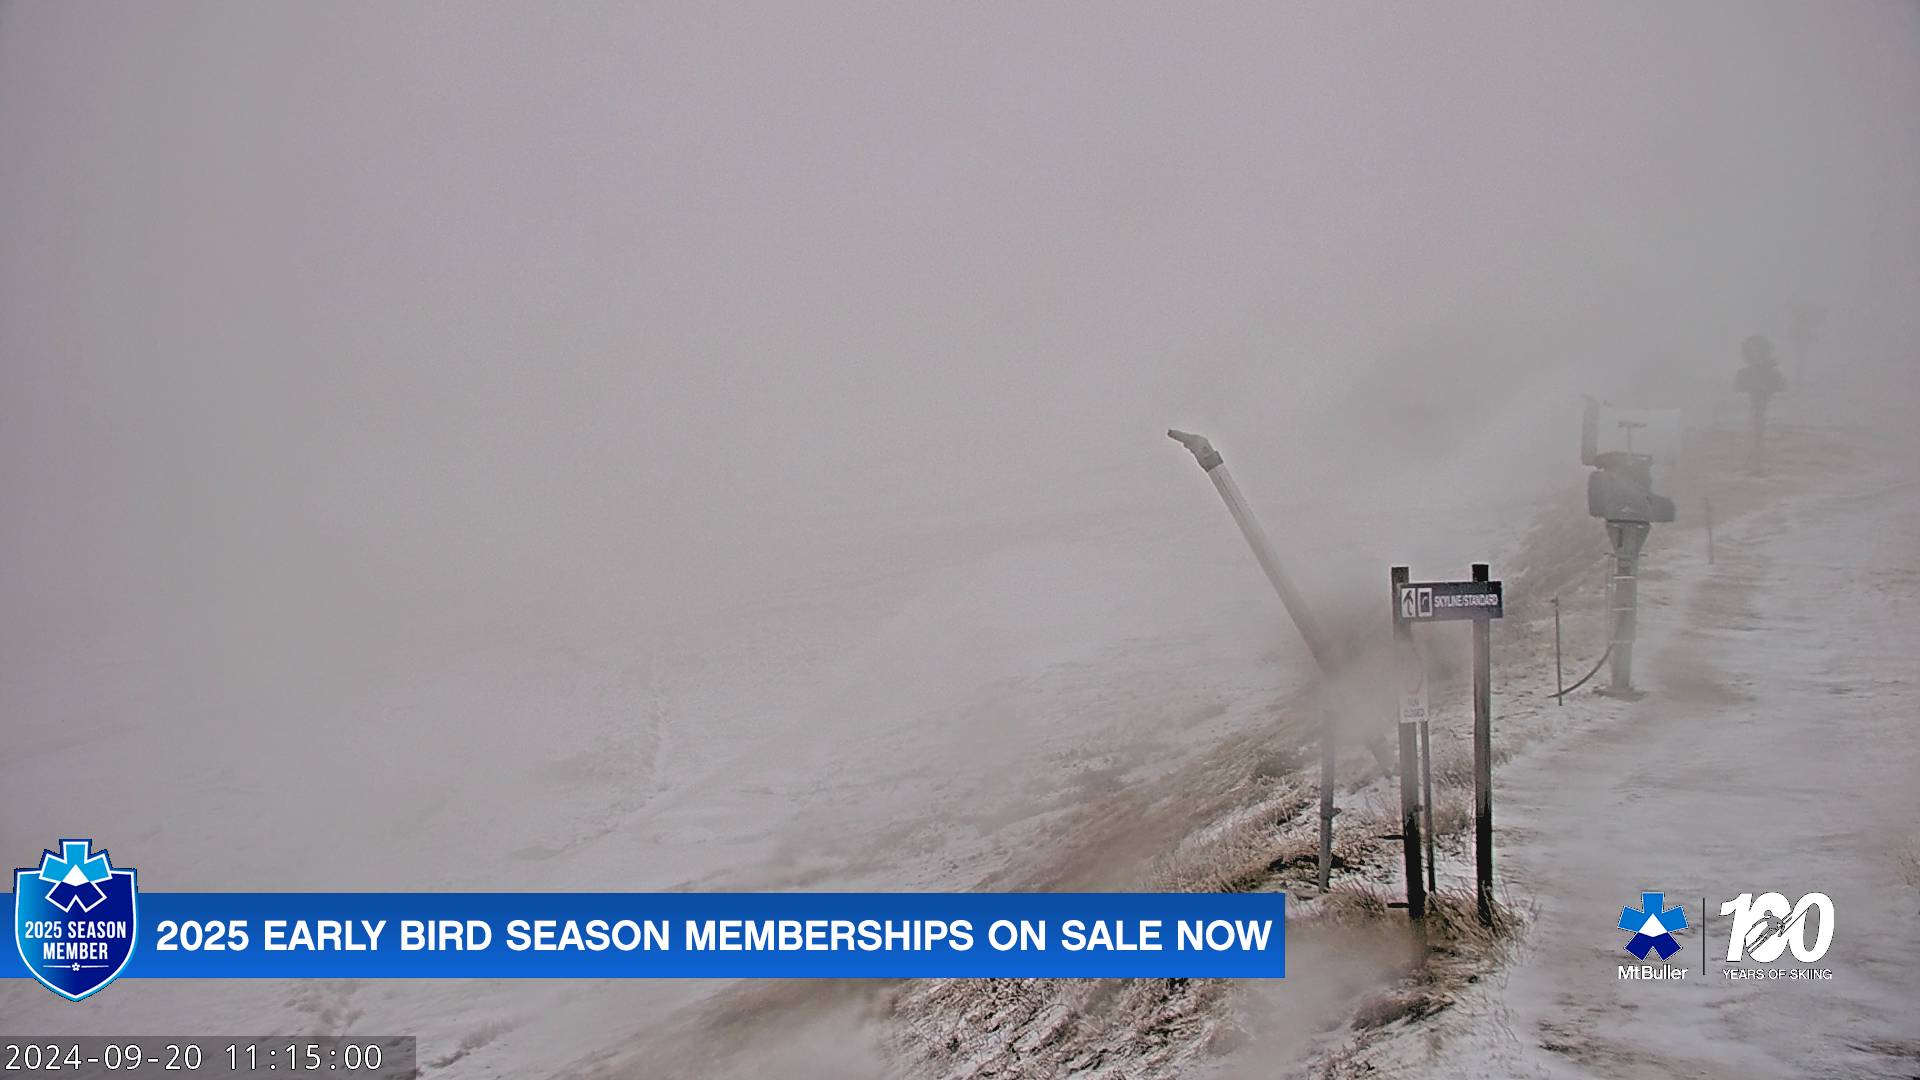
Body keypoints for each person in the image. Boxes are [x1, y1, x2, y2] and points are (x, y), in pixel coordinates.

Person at [1734, 334, 1787, 472]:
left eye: (1758, 350)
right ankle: (1752, 461)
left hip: (1772, 429)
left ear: (1765, 351)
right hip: (1747, 426)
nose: (1755, 355)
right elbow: (1737, 395)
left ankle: (1759, 462)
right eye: (1751, 351)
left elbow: (1783, 394)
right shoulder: (1743, 374)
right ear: (1746, 354)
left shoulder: (1775, 374)